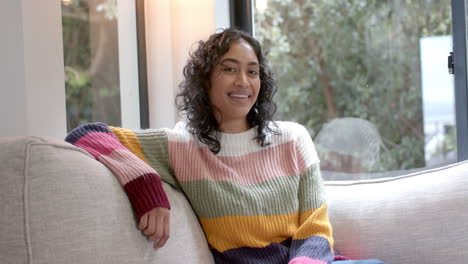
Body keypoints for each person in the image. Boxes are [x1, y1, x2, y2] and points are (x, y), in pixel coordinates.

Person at [65, 28, 383, 264]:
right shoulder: (181, 146)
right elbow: (86, 134)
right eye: (230, 69)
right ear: (206, 80)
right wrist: (146, 184)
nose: (243, 81)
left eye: (252, 71)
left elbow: (315, 224)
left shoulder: (293, 138)